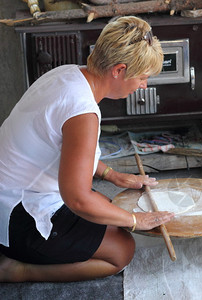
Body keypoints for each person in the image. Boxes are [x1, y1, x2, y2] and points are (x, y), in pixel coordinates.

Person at [0, 16, 174, 282]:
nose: (143, 86)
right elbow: (78, 200)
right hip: (17, 220)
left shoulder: (68, 74)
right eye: (142, 77)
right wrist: (135, 220)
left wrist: (111, 175)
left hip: (9, 196)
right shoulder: (82, 112)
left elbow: (62, 149)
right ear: (118, 70)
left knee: (106, 206)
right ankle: (18, 270)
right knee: (122, 249)